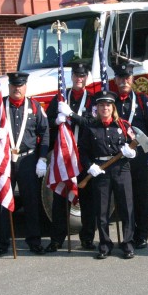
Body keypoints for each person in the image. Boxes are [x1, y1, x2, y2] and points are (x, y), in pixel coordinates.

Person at [0, 71, 50, 257]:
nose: (17, 89)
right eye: (13, 86)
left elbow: (44, 132)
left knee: (31, 202)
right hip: (5, 161)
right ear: (9, 87)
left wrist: (42, 158)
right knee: (3, 203)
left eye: (20, 86)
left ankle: (34, 241)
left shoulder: (35, 107)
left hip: (28, 160)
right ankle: (2, 243)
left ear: (25, 87)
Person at [44, 62, 97, 252]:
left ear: (87, 77)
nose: (79, 79)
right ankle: (57, 239)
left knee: (87, 200)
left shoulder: (92, 100)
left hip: (84, 155)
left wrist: (72, 115)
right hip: (64, 157)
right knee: (60, 199)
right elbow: (46, 123)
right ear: (72, 76)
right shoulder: (60, 98)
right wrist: (55, 120)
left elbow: (92, 123)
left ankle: (87, 238)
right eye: (76, 75)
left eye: (82, 75)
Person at [78, 90, 137, 260]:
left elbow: (136, 145)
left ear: (113, 107)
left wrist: (131, 153)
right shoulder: (90, 128)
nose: (105, 108)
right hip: (101, 171)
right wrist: (90, 166)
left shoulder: (123, 126)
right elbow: (83, 152)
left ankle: (127, 244)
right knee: (101, 211)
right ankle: (104, 244)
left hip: (121, 169)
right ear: (96, 108)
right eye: (102, 105)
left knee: (126, 208)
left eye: (108, 105)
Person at [113, 63, 148, 249]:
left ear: (132, 79)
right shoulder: (112, 102)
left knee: (141, 198)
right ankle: (128, 236)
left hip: (140, 158)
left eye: (127, 78)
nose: (124, 81)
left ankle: (142, 235)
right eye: (121, 78)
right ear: (115, 80)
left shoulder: (142, 100)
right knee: (124, 200)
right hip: (120, 158)